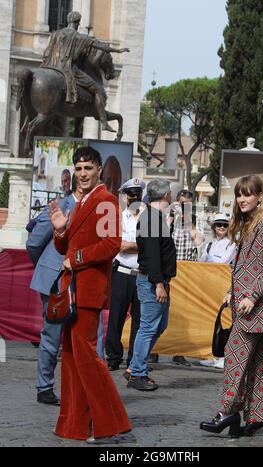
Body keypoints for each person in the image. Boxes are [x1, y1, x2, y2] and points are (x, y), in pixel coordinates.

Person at [49, 146, 131, 442]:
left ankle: (110, 422)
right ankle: (76, 425)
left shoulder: (106, 200)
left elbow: (111, 244)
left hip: (89, 289)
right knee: (70, 359)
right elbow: (63, 248)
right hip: (72, 289)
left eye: (88, 168)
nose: (82, 174)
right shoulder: (80, 202)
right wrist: (60, 231)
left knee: (86, 359)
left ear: (98, 169)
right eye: (79, 168)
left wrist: (78, 258)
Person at [200, 175, 263, 439]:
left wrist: (251, 296)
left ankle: (227, 412)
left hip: (257, 306)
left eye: (248, 194)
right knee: (257, 363)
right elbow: (246, 266)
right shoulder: (251, 224)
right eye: (239, 194)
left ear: (260, 196)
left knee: (234, 357)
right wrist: (231, 292)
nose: (242, 199)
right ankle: (262, 417)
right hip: (250, 303)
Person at [26, 176, 81, 405]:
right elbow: (34, 243)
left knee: (84, 337)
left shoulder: (100, 208)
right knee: (52, 335)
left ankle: (80, 389)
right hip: (55, 281)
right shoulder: (61, 205)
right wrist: (48, 266)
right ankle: (45, 387)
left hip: (83, 281)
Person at [42, 11, 129, 132]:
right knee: (97, 90)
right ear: (77, 23)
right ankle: (104, 122)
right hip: (70, 69)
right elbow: (101, 46)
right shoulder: (80, 37)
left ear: (68, 21)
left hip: (53, 66)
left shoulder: (55, 34)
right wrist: (118, 50)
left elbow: (46, 53)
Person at [127, 179, 177, 391]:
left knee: (158, 325)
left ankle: (135, 366)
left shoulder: (154, 217)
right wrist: (158, 283)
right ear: (166, 195)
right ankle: (137, 372)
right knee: (148, 327)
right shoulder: (151, 219)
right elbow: (152, 256)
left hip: (156, 280)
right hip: (152, 281)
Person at [105, 178, 145, 371]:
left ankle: (133, 361)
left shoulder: (149, 218)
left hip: (142, 274)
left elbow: (152, 245)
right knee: (116, 318)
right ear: (125, 196)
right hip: (121, 273)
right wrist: (139, 246)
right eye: (131, 194)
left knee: (139, 320)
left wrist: (131, 246)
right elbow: (117, 245)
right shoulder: (118, 217)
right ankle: (113, 357)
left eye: (138, 194)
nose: (135, 197)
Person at [170, 189, 204, 367]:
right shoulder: (169, 217)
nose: (185, 207)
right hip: (169, 272)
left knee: (183, 315)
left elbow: (199, 241)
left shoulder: (195, 220)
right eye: (182, 203)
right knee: (162, 312)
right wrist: (171, 214)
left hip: (186, 274)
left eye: (188, 204)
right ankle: (155, 350)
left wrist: (189, 221)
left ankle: (179, 352)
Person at [199, 212, 236, 370]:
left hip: (224, 288)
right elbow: (200, 263)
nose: (221, 227)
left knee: (225, 321)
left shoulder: (232, 244)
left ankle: (223, 355)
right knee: (211, 322)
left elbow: (222, 262)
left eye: (225, 225)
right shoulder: (209, 245)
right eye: (218, 225)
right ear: (214, 227)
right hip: (209, 288)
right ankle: (212, 354)